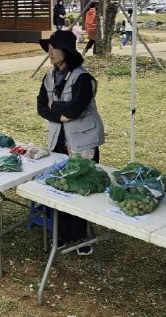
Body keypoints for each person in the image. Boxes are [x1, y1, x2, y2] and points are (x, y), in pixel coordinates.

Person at [37, 31, 105, 255]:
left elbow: (76, 109)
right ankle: (63, 235)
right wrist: (61, 114)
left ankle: (82, 237)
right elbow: (41, 107)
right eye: (48, 48)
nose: (49, 53)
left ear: (66, 51)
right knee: (61, 187)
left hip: (82, 142)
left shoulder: (82, 78)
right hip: (58, 141)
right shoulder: (49, 77)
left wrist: (55, 109)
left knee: (82, 189)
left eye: (53, 48)